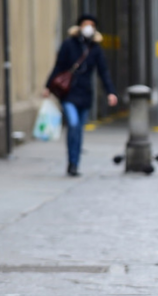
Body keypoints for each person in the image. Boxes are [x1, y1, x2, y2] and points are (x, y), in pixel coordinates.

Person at [44, 14, 118, 176]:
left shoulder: (95, 49)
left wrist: (110, 92)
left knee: (79, 130)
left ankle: (75, 164)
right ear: (79, 26)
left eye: (91, 25)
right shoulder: (68, 45)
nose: (88, 28)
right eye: (86, 24)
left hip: (85, 94)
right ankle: (71, 161)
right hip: (69, 93)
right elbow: (58, 66)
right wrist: (48, 86)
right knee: (74, 125)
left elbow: (103, 72)